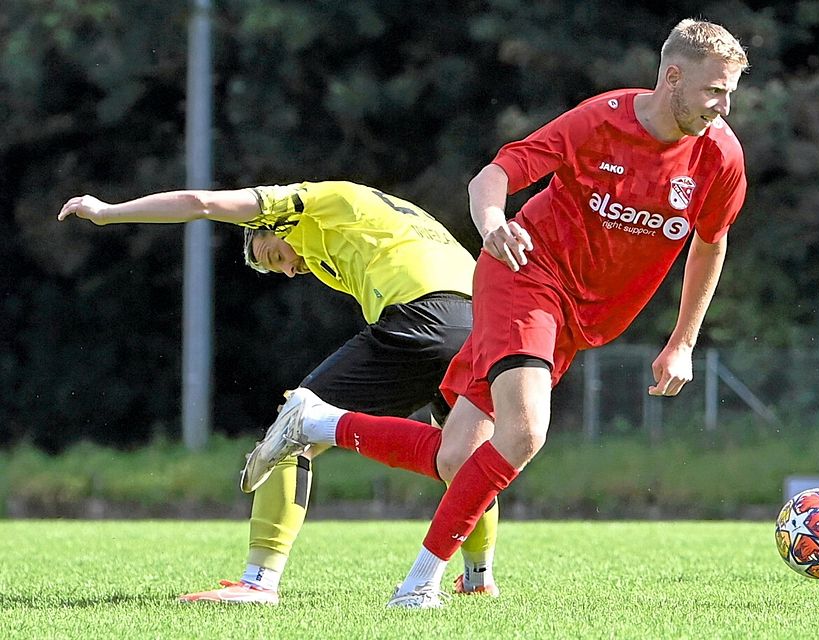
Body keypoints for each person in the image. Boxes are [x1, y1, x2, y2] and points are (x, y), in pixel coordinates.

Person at [241, 18, 750, 609]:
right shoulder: (601, 118)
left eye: (730, 91)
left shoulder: (721, 156)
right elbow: (496, 175)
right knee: (526, 431)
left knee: (457, 457)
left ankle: (317, 424)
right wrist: (493, 227)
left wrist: (683, 341)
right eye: (715, 90)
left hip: (579, 320)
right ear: (672, 76)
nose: (724, 104)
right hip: (524, 276)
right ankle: (417, 586)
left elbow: (710, 244)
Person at [57, 179, 503, 603]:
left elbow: (201, 204)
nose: (288, 270)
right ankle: (479, 579)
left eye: (274, 254)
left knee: (294, 427)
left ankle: (257, 583)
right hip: (481, 327)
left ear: (276, 225)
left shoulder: (307, 201)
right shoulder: (391, 219)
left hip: (423, 319)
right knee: (464, 459)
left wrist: (108, 212)